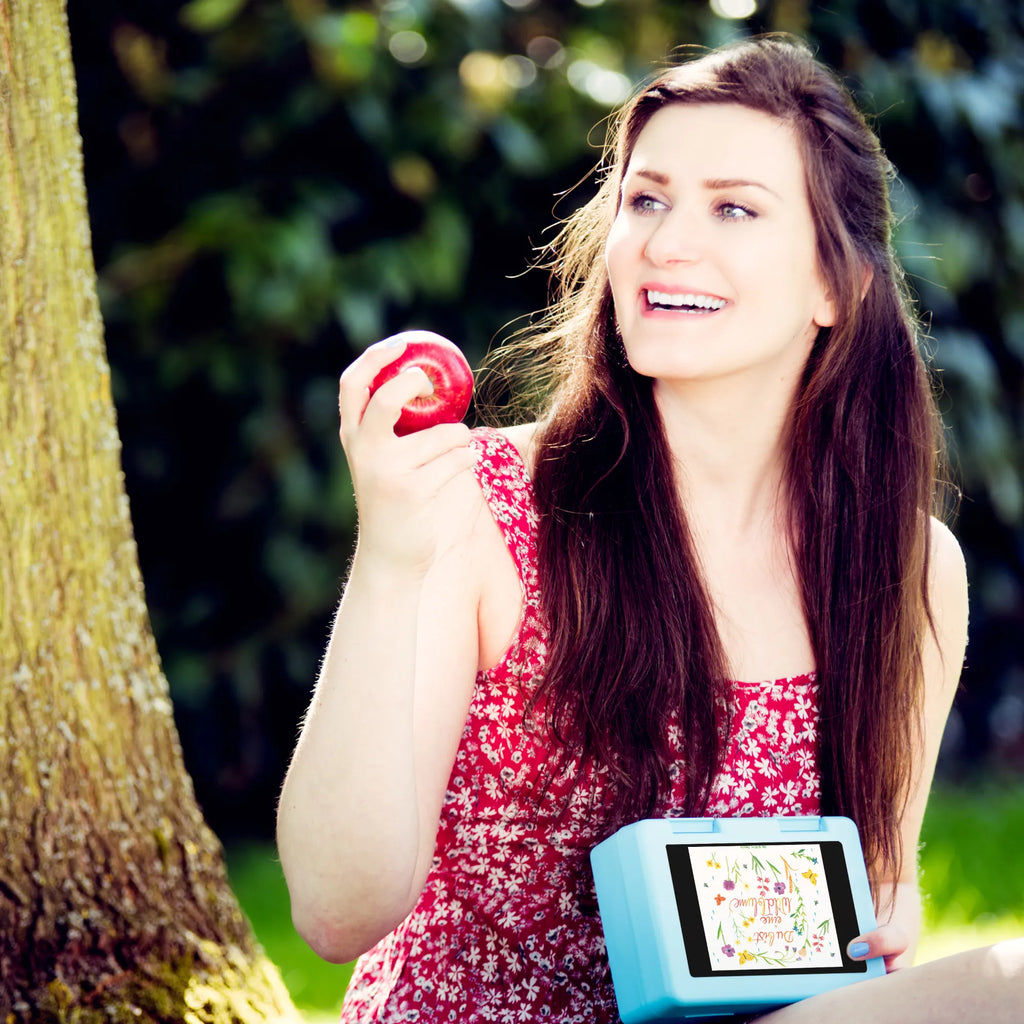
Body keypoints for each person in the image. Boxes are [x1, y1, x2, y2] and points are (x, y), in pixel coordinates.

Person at [276, 34, 1023, 1023]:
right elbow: (335, 913)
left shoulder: (909, 570)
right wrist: (393, 556)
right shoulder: (482, 508)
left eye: (732, 207)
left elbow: (875, 900)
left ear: (833, 286)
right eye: (645, 198)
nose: (667, 241)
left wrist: (886, 906)